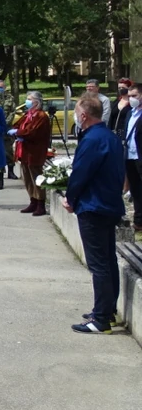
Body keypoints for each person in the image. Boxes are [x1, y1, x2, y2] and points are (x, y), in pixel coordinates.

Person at [63, 94, 126, 333]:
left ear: (83, 116)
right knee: (108, 261)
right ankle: (107, 311)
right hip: (109, 204)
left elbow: (81, 173)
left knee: (99, 264)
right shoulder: (109, 136)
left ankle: (101, 319)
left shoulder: (92, 139)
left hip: (94, 206)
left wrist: (71, 199)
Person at [9, 91, 52, 217]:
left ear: (37, 102)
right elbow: (17, 125)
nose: (27, 101)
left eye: (29, 99)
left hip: (35, 151)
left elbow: (33, 132)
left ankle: (40, 204)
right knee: (27, 178)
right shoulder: (28, 114)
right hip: (25, 150)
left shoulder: (41, 116)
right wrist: (16, 131)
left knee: (36, 178)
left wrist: (20, 132)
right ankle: (32, 201)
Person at [122, 84, 142, 243]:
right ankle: (138, 222)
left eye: (134, 95)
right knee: (135, 190)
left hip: (140, 157)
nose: (131, 99)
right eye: (129, 96)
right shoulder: (130, 113)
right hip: (130, 156)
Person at [0, 80, 18, 185]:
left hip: (7, 128)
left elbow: (12, 112)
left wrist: (5, 123)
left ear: (4, 87)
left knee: (8, 151)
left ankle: (11, 171)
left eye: (1, 87)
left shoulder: (10, 98)